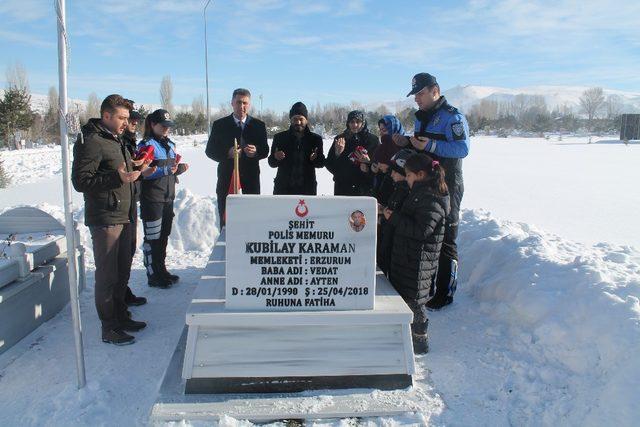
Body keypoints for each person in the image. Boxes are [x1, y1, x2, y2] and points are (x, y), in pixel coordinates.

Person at [72, 94, 154, 345]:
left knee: (122, 271)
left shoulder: (117, 139)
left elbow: (122, 173)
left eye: (127, 118)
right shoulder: (92, 141)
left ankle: (120, 315)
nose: (125, 123)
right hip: (106, 217)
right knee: (108, 275)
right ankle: (109, 327)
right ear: (106, 115)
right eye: (121, 117)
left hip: (126, 214)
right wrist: (119, 178)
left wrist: (138, 171)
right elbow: (81, 181)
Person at [394, 72, 470, 309]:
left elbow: (462, 148)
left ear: (435, 90)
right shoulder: (421, 118)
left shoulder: (452, 117)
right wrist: (407, 143)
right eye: (415, 94)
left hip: (448, 184)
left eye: (421, 93)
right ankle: (427, 286)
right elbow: (422, 147)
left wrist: (431, 145)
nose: (416, 99)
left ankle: (445, 293)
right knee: (428, 235)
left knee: (446, 237)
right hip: (425, 184)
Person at [383, 153, 450, 354]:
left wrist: (393, 217)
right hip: (407, 258)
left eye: (409, 176)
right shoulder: (418, 194)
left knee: (415, 304)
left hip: (419, 263)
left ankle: (420, 342)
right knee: (405, 300)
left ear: (420, 175)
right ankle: (404, 338)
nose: (407, 180)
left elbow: (421, 231)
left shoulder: (432, 199)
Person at [138, 109, 189, 288]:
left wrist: (179, 168)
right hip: (152, 198)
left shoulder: (170, 144)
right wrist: (165, 171)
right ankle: (153, 275)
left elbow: (171, 168)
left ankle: (162, 270)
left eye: (169, 126)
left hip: (168, 197)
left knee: (163, 236)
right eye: (163, 125)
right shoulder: (146, 145)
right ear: (152, 125)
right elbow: (142, 173)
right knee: (152, 238)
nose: (167, 129)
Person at [205, 88, 268, 225]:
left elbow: (265, 150)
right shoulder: (219, 125)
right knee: (227, 222)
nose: (242, 106)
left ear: (249, 104)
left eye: (245, 103)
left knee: (251, 220)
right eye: (238, 102)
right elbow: (210, 151)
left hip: (251, 182)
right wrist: (227, 153)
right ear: (232, 103)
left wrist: (256, 152)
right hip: (227, 180)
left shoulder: (258, 125)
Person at [120, 106, 147, 307]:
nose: (134, 124)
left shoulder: (128, 141)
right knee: (118, 255)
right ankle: (117, 298)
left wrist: (140, 166)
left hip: (130, 199)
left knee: (128, 249)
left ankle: (123, 289)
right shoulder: (118, 141)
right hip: (117, 203)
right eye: (131, 121)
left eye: (136, 121)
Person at [268, 102, 324, 195]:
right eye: (295, 119)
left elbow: (321, 163)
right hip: (283, 190)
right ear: (291, 120)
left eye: (301, 119)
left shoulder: (315, 139)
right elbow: (271, 162)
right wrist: (276, 158)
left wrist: (316, 159)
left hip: (307, 190)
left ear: (306, 120)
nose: (298, 122)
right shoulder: (280, 138)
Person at [325, 110, 379, 196]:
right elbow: (329, 164)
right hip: (343, 188)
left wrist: (368, 163)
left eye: (358, 122)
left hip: (364, 188)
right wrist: (337, 154)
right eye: (352, 122)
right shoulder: (340, 139)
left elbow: (379, 166)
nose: (355, 125)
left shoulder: (372, 140)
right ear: (348, 123)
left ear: (363, 123)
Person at [377, 148, 413, 276]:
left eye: (395, 172)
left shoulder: (408, 193)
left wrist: (387, 214)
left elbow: (403, 221)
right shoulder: (398, 188)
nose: (391, 175)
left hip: (398, 252)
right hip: (388, 245)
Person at [371, 115, 405, 206]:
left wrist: (389, 168)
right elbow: (375, 162)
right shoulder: (382, 145)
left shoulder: (403, 146)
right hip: (380, 190)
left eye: (385, 130)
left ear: (393, 128)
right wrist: (374, 167)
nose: (382, 133)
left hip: (396, 193)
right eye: (380, 130)